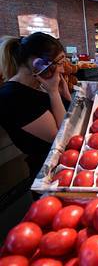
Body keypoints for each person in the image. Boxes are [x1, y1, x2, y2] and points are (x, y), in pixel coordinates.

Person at [0, 32, 71, 180]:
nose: (63, 70)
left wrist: (64, 95)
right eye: (59, 63)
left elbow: (70, 117)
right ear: (38, 63)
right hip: (48, 172)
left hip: (65, 163)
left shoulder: (39, 84)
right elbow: (60, 137)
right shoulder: (12, 96)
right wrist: (53, 93)